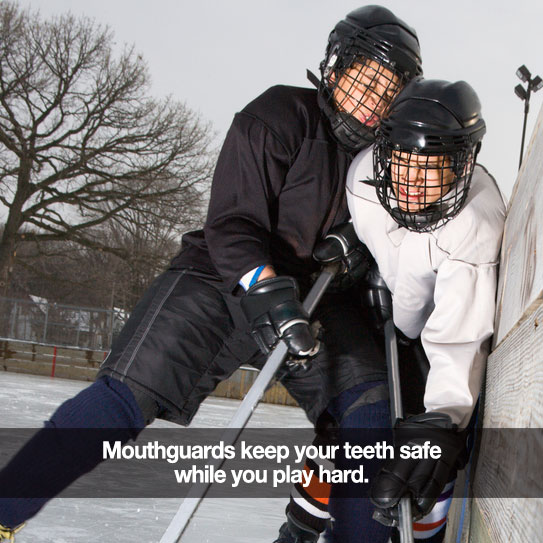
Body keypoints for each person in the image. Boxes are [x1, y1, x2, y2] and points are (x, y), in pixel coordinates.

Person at [0, 5, 422, 542]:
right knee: (123, 397)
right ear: (335, 68)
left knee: (369, 413)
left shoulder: (388, 161)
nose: (370, 102)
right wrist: (262, 287)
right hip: (221, 279)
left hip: (320, 302)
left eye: (387, 91)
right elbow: (233, 220)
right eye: (364, 80)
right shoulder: (277, 115)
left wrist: (367, 251)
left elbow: (402, 230)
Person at [328, 78, 504, 543]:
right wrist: (358, 254)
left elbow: (458, 337)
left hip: (432, 334)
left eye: (430, 168)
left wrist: (441, 420)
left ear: (460, 166)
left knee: (426, 459)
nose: (410, 182)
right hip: (381, 316)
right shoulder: (364, 182)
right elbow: (377, 235)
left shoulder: (474, 224)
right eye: (403, 163)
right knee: (352, 427)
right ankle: (308, 520)